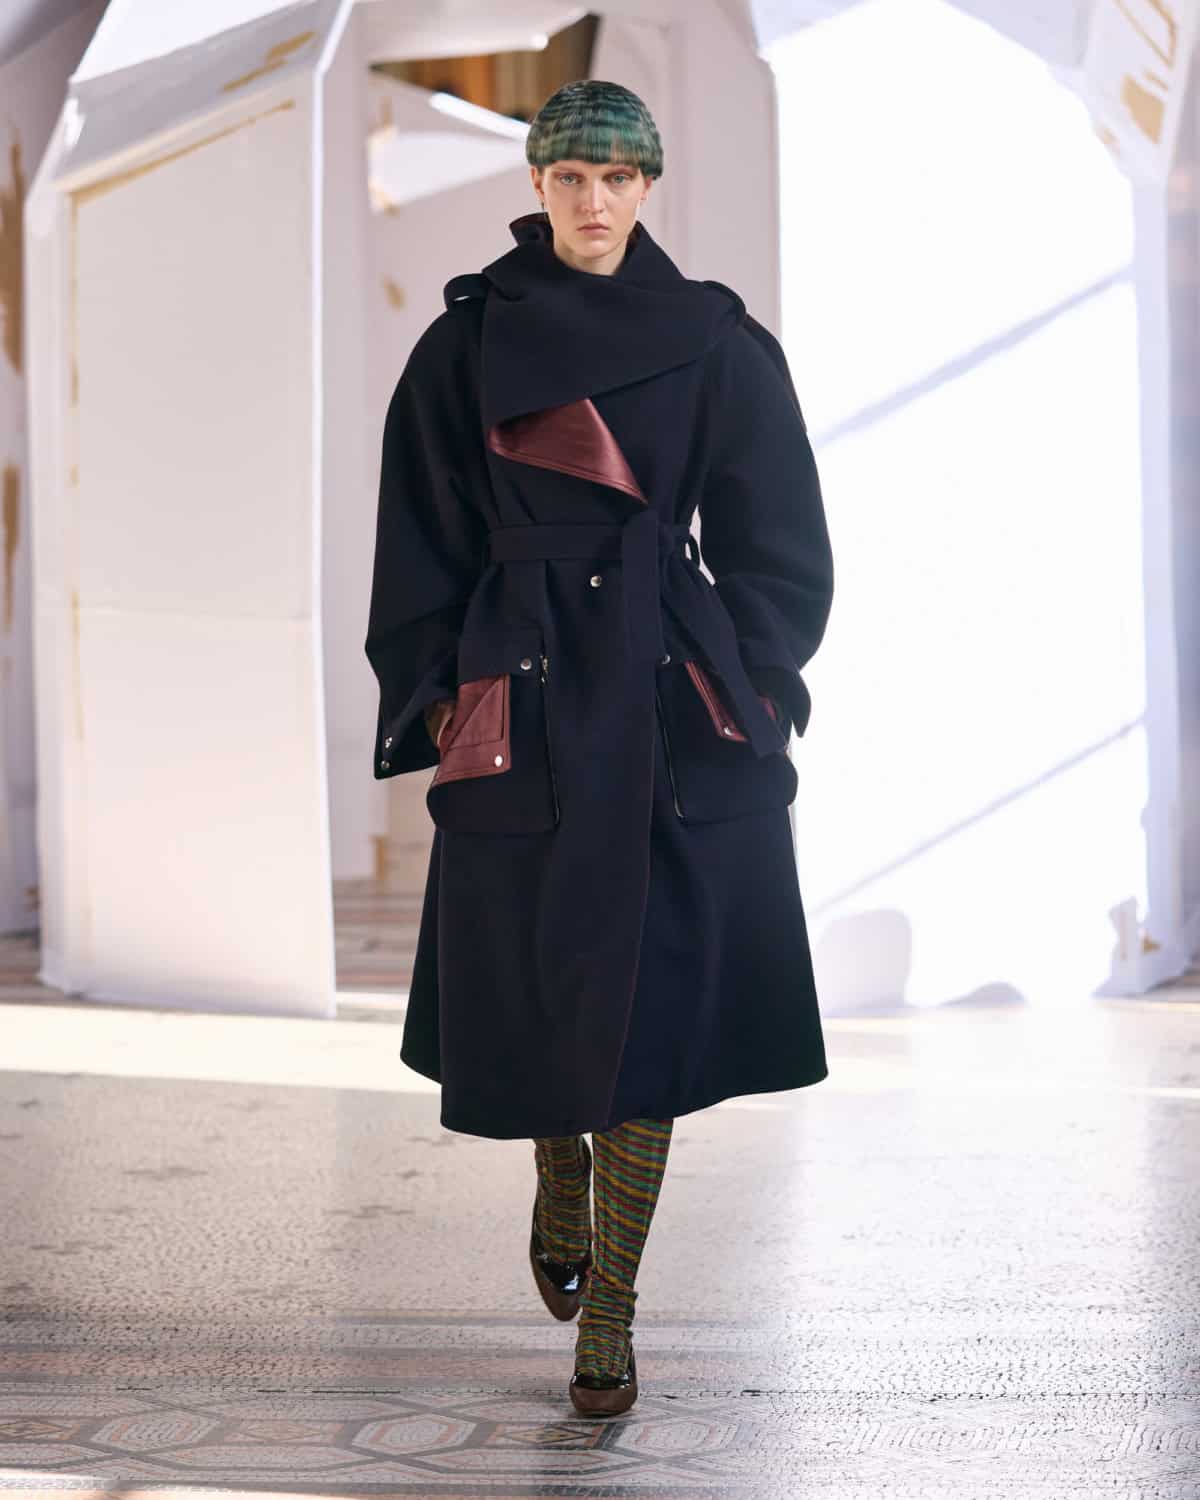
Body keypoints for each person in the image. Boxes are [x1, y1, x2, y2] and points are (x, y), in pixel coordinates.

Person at [363, 78, 834, 1418]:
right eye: (568, 176)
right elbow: (418, 536)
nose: (591, 200)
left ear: (647, 188)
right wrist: (440, 696)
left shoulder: (716, 339)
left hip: (668, 691)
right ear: (536, 184)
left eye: (615, 178)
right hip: (522, 690)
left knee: (654, 1005)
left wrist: (756, 682)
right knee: (538, 979)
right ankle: (556, 1165)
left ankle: (612, 1312)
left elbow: (777, 532)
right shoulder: (464, 345)